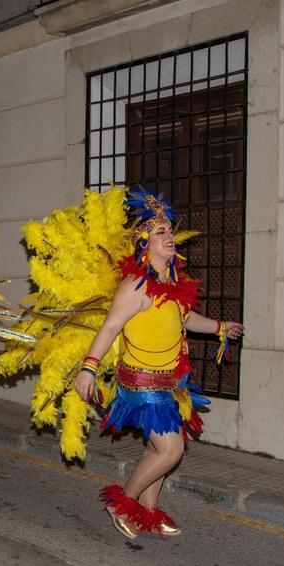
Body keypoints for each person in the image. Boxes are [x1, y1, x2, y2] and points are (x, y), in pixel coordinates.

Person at [73, 189, 243, 538]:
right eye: (160, 232)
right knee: (170, 449)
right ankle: (122, 501)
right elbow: (110, 327)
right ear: (144, 244)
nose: (169, 237)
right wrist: (89, 367)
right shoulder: (135, 286)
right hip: (142, 383)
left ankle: (148, 512)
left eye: (169, 231)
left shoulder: (171, 281)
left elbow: (185, 318)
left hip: (172, 382)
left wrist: (221, 328)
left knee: (157, 447)